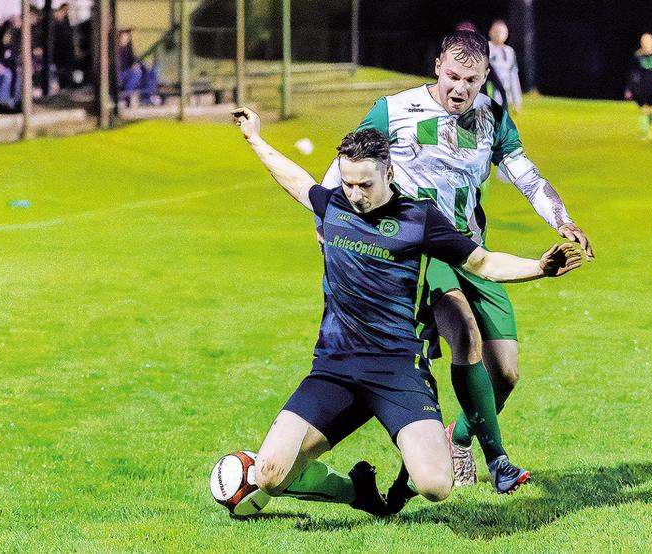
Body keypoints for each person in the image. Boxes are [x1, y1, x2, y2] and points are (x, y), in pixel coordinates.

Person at [230, 107, 586, 515]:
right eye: (347, 183)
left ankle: (406, 478)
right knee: (270, 475)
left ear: (389, 176)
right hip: (335, 368)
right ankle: (357, 491)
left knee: (437, 485)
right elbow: (295, 179)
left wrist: (538, 268)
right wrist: (255, 139)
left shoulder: (419, 220)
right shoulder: (335, 205)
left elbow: (483, 263)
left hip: (398, 371)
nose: (355, 194)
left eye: (365, 184)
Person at [321, 30, 594, 493]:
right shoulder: (395, 111)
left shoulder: (493, 117)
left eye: (471, 79)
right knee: (465, 335)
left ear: (486, 76)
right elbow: (342, 172)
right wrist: (330, 228)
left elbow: (527, 178)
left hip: (473, 251)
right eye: (452, 76)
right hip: (421, 251)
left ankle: (459, 438)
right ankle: (500, 461)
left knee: (505, 373)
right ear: (437, 68)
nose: (459, 89)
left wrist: (563, 221)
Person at [624, 33, 652, 141]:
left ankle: (649, 129)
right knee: (643, 109)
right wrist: (629, 88)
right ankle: (646, 132)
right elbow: (633, 72)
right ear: (641, 43)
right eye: (645, 41)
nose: (647, 43)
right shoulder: (637, 56)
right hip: (640, 86)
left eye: (649, 41)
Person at [115, 28, 160, 106]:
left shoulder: (128, 48)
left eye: (127, 37)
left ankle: (147, 97)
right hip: (120, 75)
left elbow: (134, 60)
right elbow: (118, 66)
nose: (126, 39)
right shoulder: (115, 50)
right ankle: (124, 97)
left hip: (129, 73)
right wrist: (132, 68)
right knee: (136, 73)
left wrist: (144, 65)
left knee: (150, 72)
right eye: (123, 37)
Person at [487, 20, 522, 113]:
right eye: (496, 32)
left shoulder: (509, 51)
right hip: (490, 93)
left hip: (505, 94)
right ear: (490, 32)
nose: (499, 35)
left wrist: (516, 101)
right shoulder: (486, 48)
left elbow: (514, 76)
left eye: (502, 32)